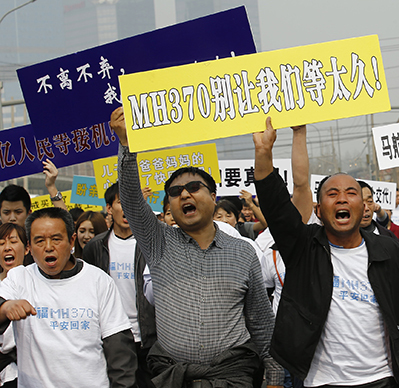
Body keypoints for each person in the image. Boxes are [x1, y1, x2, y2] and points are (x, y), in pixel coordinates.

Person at [254, 117, 399, 388]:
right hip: (320, 381)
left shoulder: (388, 249)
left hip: (381, 379)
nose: (341, 198)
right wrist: (263, 154)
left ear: (364, 208)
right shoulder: (304, 248)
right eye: (332, 194)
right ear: (318, 210)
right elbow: (277, 206)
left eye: (351, 193)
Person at [110, 107, 281, 387]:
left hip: (231, 377)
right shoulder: (158, 243)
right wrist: (127, 145)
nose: (184, 194)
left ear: (213, 197)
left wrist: (273, 378)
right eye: (175, 192)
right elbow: (130, 199)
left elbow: (261, 323)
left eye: (193, 187)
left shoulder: (243, 251)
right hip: (174, 377)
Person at [0, 207, 136, 387]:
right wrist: (5, 308)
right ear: (30, 247)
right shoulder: (19, 278)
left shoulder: (98, 281)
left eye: (56, 239)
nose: (48, 247)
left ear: (72, 240)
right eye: (39, 241)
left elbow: (119, 350)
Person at [81, 182, 157, 388]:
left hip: (149, 338)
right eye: (121, 202)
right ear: (108, 208)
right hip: (111, 337)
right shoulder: (95, 247)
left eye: (133, 202)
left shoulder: (151, 244)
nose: (127, 208)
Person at [0, 224, 27, 387]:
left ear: (27, 248)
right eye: (1, 243)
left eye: (13, 241)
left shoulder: (38, 284)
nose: (7, 247)